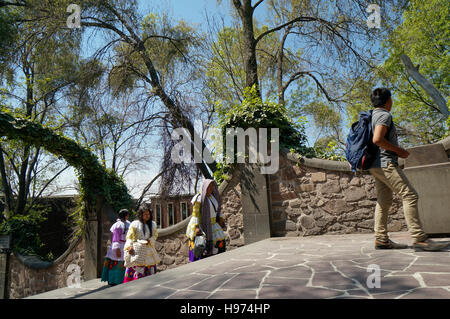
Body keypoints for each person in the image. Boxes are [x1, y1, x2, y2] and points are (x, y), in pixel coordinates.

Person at [368, 87, 447, 251]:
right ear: (388, 100)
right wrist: (400, 151)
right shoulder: (384, 115)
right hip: (385, 163)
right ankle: (419, 239)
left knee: (384, 201)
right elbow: (377, 139)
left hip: (374, 165)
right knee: (410, 195)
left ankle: (381, 239)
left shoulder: (371, 116)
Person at [186, 179, 226, 262]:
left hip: (214, 225)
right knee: (202, 248)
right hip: (203, 226)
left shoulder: (213, 197)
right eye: (209, 186)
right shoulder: (198, 198)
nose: (211, 188)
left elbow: (217, 209)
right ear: (204, 187)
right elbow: (195, 214)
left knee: (218, 245)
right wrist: (196, 227)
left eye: (212, 186)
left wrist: (220, 218)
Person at [123, 205, 160, 282]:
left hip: (149, 250)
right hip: (137, 251)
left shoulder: (153, 224)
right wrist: (129, 247)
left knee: (150, 272)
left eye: (148, 214)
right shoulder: (134, 224)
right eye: (145, 214)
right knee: (137, 268)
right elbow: (129, 237)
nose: (147, 216)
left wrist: (150, 240)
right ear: (141, 215)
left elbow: (155, 235)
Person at [101, 208, 130, 286]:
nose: (128, 216)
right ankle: (113, 280)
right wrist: (117, 249)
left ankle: (122, 280)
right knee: (115, 264)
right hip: (118, 246)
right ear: (125, 216)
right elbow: (115, 238)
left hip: (125, 246)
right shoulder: (118, 225)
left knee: (121, 264)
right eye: (127, 214)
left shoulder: (128, 224)